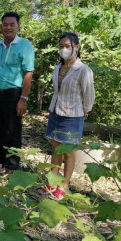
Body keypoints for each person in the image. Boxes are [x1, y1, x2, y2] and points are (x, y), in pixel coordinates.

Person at [40, 32, 95, 199]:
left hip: (73, 114)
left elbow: (89, 94)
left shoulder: (83, 70)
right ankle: (52, 182)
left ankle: (64, 185)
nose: (64, 49)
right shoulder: (58, 67)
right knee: (55, 147)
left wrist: (85, 110)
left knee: (69, 152)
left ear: (76, 48)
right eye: (61, 46)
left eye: (67, 46)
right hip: (56, 111)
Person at [0, 12, 35, 171]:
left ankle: (13, 165)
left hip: (14, 94)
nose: (8, 27)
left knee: (12, 130)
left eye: (12, 24)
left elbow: (28, 73)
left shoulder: (25, 46)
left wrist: (23, 99)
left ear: (18, 26)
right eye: (5, 24)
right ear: (1, 26)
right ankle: (1, 159)